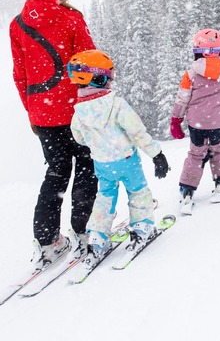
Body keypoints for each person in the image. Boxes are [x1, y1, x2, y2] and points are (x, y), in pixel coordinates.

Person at [9, 0, 98, 270]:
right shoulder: (70, 19)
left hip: (44, 115)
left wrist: (33, 114)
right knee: (87, 166)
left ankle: (48, 242)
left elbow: (20, 76)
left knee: (57, 172)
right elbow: (90, 64)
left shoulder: (18, 24)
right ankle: (85, 232)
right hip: (76, 110)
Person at [67, 50, 170, 262]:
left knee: (104, 198)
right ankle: (141, 228)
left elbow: (79, 138)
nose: (110, 83)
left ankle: (97, 237)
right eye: (108, 77)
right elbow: (137, 131)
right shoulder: (116, 104)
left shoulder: (79, 112)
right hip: (127, 160)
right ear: (98, 77)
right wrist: (156, 154)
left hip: (102, 164)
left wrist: (99, 142)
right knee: (138, 191)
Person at [170, 28, 220, 213]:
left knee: (196, 154)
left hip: (196, 124)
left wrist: (176, 120)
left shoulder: (191, 74)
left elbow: (182, 98)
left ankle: (187, 188)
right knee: (219, 150)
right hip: (218, 122)